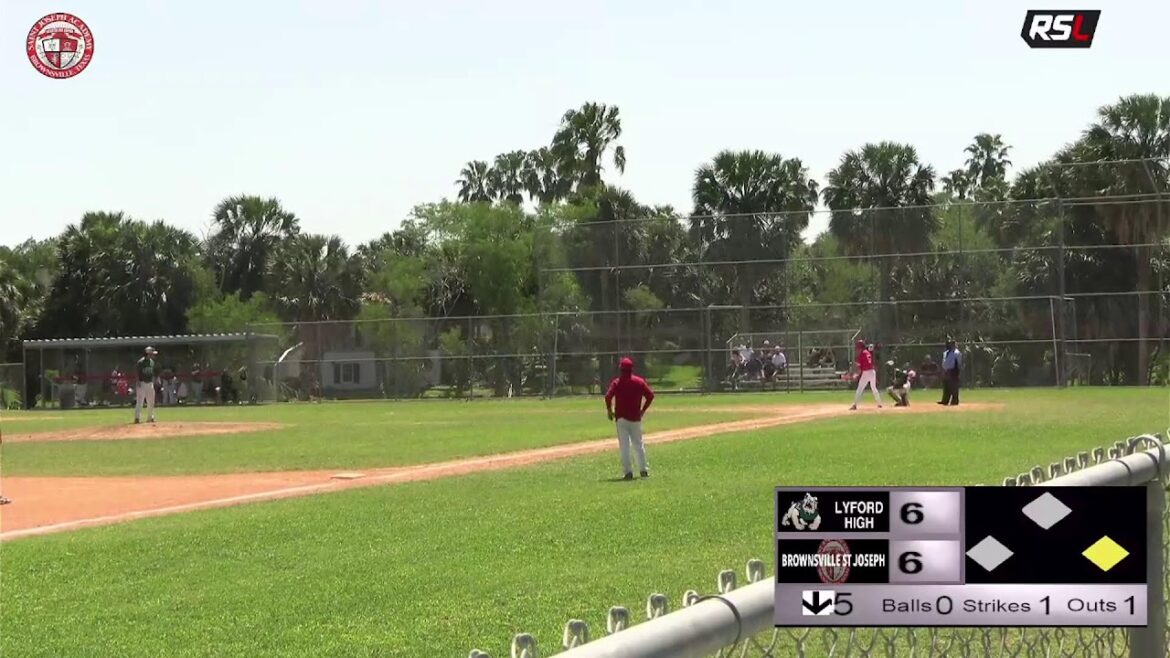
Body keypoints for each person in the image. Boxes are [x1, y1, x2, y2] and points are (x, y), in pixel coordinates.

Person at [604, 357, 655, 480]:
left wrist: (610, 410)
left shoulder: (617, 382)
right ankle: (643, 470)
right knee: (638, 444)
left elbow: (607, 397)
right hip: (635, 418)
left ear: (621, 370)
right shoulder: (639, 382)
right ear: (631, 369)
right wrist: (643, 410)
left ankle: (628, 472)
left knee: (624, 446)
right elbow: (650, 395)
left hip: (621, 418)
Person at [850, 340, 882, 411]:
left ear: (860, 347)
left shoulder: (862, 354)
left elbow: (860, 368)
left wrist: (856, 375)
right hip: (872, 372)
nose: (857, 349)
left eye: (858, 347)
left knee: (860, 388)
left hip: (866, 372)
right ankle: (879, 403)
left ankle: (855, 405)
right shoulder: (867, 352)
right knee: (874, 388)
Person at [134, 346, 159, 424]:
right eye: (151, 354)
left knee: (151, 401)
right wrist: (138, 381)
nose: (153, 355)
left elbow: (152, 372)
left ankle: (150, 417)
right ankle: (137, 418)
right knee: (140, 401)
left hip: (150, 383)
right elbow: (137, 372)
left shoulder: (152, 362)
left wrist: (154, 381)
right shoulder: (140, 362)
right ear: (147, 354)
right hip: (142, 383)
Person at [939, 338, 961, 406]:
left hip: (953, 370)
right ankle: (945, 400)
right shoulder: (946, 352)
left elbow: (959, 363)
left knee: (953, 386)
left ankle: (955, 401)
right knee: (946, 386)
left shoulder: (957, 353)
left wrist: (957, 372)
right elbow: (944, 362)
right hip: (945, 370)